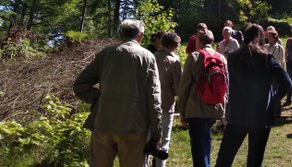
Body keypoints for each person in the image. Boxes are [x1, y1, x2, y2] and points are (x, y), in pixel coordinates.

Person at [73, 19, 162, 167]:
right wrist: (156, 131)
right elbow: (154, 98)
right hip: (134, 127)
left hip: (103, 123)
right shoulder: (148, 57)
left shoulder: (105, 54)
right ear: (140, 36)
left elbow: (80, 86)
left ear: (121, 34)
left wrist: (100, 98)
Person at [215, 24, 292, 167]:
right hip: (260, 115)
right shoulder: (266, 59)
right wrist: (273, 100)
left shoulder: (232, 58)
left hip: (237, 114)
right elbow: (287, 83)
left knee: (224, 159)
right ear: (261, 39)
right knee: (255, 161)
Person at [178, 29, 227, 167]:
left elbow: (184, 88)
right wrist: (224, 112)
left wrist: (182, 113)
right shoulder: (221, 57)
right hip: (215, 108)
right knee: (206, 140)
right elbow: (226, 87)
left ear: (198, 41)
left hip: (196, 108)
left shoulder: (194, 56)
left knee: (198, 148)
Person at [154, 32, 183, 167]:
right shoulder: (174, 60)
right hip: (166, 103)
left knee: (147, 140)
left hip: (148, 104)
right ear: (175, 45)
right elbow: (179, 88)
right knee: (163, 141)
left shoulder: (151, 57)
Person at [266, 27, 285, 117]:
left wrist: (281, 73)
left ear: (274, 37)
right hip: (267, 72)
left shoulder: (279, 48)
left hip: (276, 72)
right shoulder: (265, 47)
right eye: (267, 37)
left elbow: (281, 61)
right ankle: (269, 110)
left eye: (270, 37)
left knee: (276, 91)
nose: (268, 38)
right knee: (268, 91)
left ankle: (277, 112)